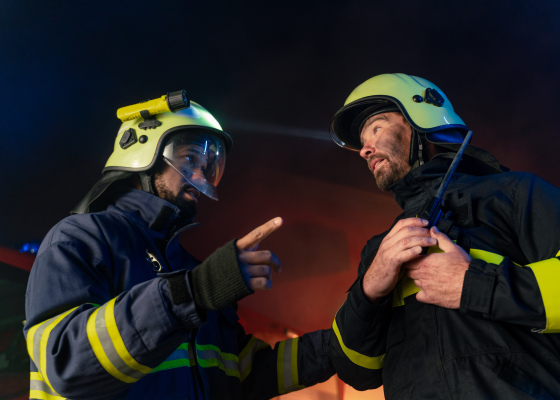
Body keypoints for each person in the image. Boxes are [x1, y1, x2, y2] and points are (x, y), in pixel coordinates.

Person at [24, 91, 334, 399]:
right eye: (189, 159)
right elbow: (66, 364)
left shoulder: (191, 268)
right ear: (143, 153)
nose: (201, 175)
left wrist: (335, 349)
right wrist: (192, 292)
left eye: (209, 165)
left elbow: (241, 371)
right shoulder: (80, 240)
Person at [327, 73, 560, 399]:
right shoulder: (379, 250)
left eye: (376, 128)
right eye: (361, 140)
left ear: (421, 122)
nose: (365, 149)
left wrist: (476, 285)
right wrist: (368, 292)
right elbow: (356, 371)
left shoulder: (512, 194)